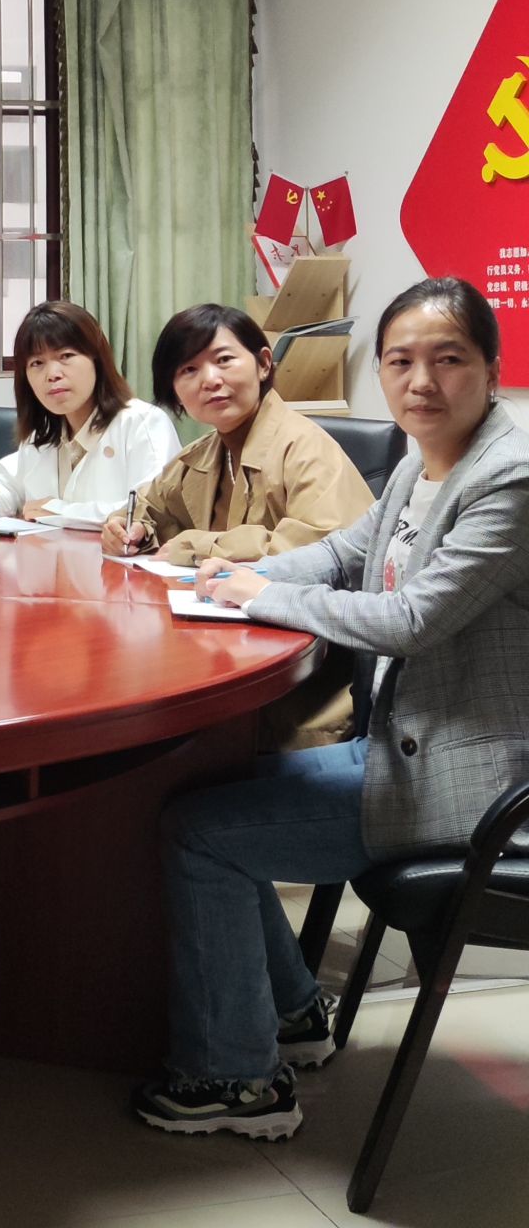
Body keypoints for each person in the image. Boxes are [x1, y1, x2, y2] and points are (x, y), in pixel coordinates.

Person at [134, 277, 529, 1141]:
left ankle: (239, 1082)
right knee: (209, 798)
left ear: (493, 369)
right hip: (402, 743)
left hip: (469, 784)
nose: (421, 381)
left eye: (448, 359)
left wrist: (262, 598)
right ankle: (290, 1014)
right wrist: (233, 580)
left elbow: (413, 618)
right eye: (400, 361)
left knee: (201, 835)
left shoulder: (511, 479)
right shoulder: (429, 459)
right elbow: (347, 552)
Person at [100, 304, 373, 565]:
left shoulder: (305, 447)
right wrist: (128, 529)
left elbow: (330, 549)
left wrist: (203, 547)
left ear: (263, 364)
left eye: (224, 360)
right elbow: (146, 508)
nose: (210, 380)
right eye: (189, 369)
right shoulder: (200, 456)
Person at [0, 300, 180, 524]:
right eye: (37, 363)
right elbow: (9, 488)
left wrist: (59, 511)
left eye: (66, 356)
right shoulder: (42, 436)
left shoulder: (142, 423)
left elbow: (152, 511)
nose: (52, 374)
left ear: (97, 360)